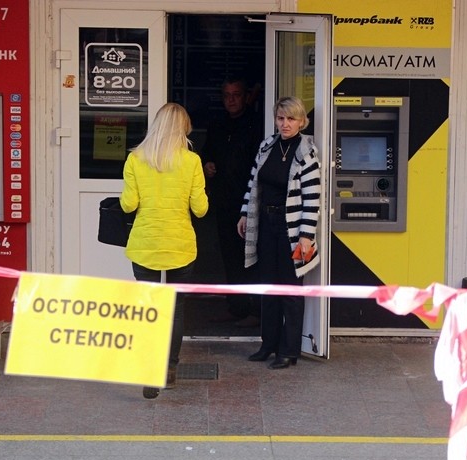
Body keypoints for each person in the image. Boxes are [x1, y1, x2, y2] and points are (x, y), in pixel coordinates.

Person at [120, 103, 209, 398]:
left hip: (145, 244)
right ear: (183, 129)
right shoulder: (192, 161)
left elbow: (128, 205)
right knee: (175, 309)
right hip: (179, 245)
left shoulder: (135, 159)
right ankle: (169, 369)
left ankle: (149, 367)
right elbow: (200, 209)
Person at [236, 96, 320, 370]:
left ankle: (289, 350)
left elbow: (313, 198)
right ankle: (268, 345)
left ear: (302, 122)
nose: (285, 124)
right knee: (268, 287)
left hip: (291, 229)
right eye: (281, 118)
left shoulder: (306, 152)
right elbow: (253, 184)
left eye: (291, 119)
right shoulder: (267, 146)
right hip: (266, 224)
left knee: (291, 290)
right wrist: (245, 214)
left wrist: (306, 236)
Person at [201, 77, 264, 328]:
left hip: (250, 203)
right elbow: (206, 153)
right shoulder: (217, 124)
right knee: (230, 256)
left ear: (246, 96)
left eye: (236, 94)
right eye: (227, 95)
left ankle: (256, 311)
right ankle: (236, 307)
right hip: (224, 202)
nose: (231, 100)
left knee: (251, 257)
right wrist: (207, 165)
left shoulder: (256, 125)